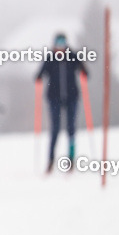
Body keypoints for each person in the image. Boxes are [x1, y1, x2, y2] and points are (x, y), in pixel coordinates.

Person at [35, 33, 88, 172]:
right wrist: (39, 77)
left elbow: (84, 70)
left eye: (62, 43)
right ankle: (51, 160)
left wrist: (83, 71)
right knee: (55, 129)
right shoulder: (50, 58)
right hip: (54, 98)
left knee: (71, 127)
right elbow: (40, 73)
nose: (60, 47)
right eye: (58, 43)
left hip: (72, 97)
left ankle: (70, 159)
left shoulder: (72, 56)